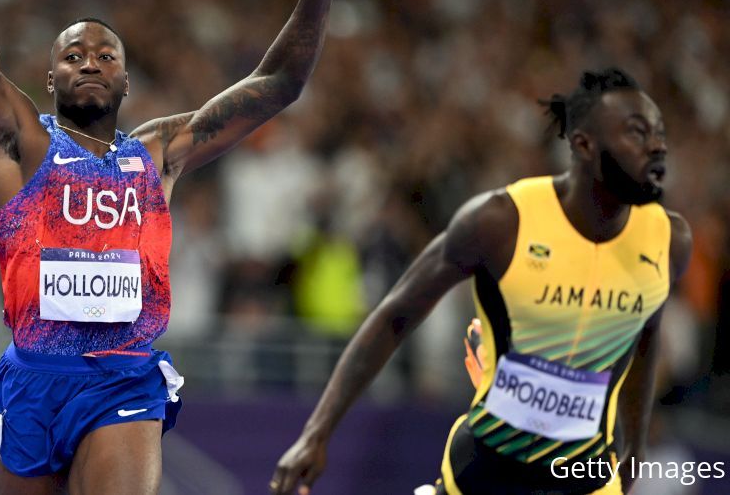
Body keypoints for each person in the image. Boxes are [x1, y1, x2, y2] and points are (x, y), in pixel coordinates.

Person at [0, 0, 361, 492]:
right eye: (73, 55)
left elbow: (279, 85)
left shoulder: (159, 153)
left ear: (127, 81)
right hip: (34, 378)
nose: (91, 62)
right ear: (49, 80)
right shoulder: (19, 139)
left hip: (123, 376)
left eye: (107, 55)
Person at [270, 68, 692, 495]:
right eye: (637, 133)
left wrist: (635, 452)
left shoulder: (668, 241)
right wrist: (316, 433)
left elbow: (645, 338)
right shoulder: (501, 221)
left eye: (659, 133)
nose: (657, 147)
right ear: (584, 144)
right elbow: (395, 315)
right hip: (486, 472)